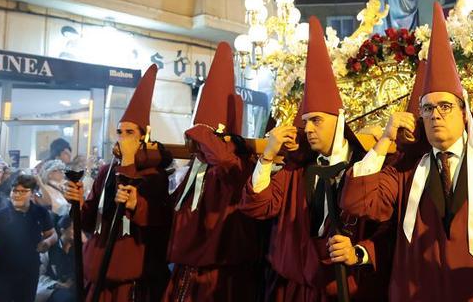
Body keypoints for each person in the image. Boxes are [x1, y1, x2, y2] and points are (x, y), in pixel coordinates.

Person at [340, 4, 473, 301]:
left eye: (445, 107)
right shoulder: (407, 169)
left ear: (463, 112)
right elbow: (357, 202)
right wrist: (383, 142)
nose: (435, 116)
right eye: (428, 109)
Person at [241, 18, 390, 301]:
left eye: (316, 121)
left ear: (340, 120)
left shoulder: (367, 168)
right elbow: (256, 207)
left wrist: (360, 252)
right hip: (298, 289)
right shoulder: (296, 172)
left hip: (350, 286)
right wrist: (269, 155)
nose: (307, 128)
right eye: (306, 121)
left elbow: (387, 231)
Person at [63, 64, 172, 301]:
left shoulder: (154, 175)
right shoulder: (106, 171)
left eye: (130, 133)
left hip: (131, 278)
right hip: (98, 272)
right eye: (120, 132)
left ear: (144, 136)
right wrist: (78, 203)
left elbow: (157, 221)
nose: (122, 139)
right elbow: (91, 222)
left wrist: (135, 202)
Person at [164, 42, 263, 301]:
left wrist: (204, 133)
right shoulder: (198, 165)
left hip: (221, 277)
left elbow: (225, 162)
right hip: (187, 271)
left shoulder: (236, 164)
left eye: (203, 136)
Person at [0, 174, 56, 301]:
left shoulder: (40, 213)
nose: (17, 194)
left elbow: (52, 234)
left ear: (33, 193)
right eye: (15, 190)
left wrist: (48, 242)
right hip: (1, 275)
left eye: (23, 191)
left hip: (29, 273)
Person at [36, 215, 76, 302]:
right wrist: (58, 284)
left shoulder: (80, 250)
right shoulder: (50, 249)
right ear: (63, 231)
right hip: (54, 288)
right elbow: (39, 274)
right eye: (73, 229)